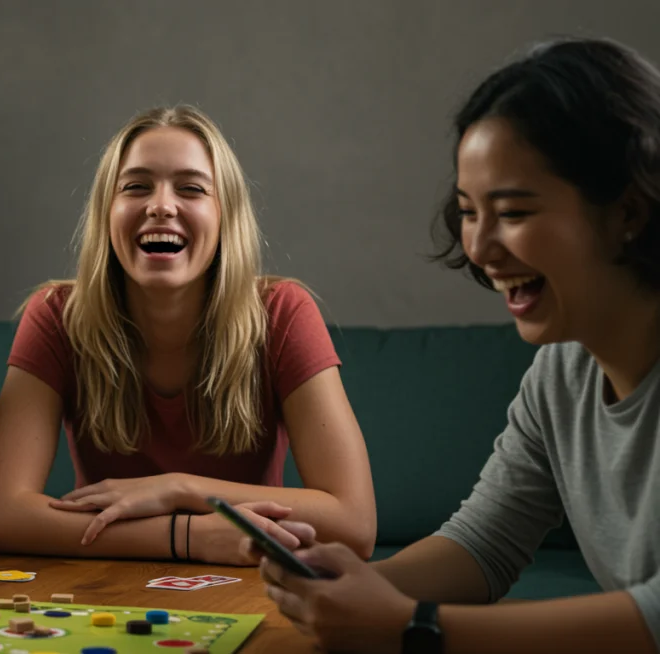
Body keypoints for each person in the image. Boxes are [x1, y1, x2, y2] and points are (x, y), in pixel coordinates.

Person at [257, 37, 660, 654]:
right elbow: (483, 543)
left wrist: (411, 626)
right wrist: (345, 589)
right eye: (470, 211)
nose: (478, 246)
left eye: (514, 212)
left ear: (628, 208)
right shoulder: (562, 371)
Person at [0, 105, 376, 563]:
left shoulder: (284, 312)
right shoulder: (55, 315)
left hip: (245, 580)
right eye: (136, 187)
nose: (161, 205)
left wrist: (178, 489)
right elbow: (0, 515)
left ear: (226, 217)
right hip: (103, 584)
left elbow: (355, 524)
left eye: (191, 189)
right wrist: (186, 537)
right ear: (107, 213)